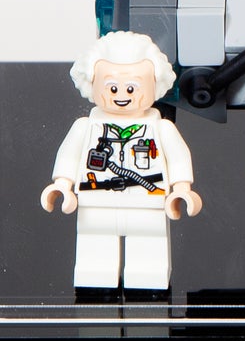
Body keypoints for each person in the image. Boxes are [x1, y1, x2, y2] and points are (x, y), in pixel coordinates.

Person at [41, 31, 202, 292]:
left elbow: (178, 157)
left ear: (154, 85)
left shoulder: (161, 128)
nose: (122, 95)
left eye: (132, 87)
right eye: (112, 87)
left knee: (148, 253)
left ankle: (148, 279)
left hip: (148, 202)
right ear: (92, 83)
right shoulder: (85, 127)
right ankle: (95, 278)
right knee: (95, 252)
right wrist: (62, 185)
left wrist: (182, 189)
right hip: (95, 202)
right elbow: (69, 155)